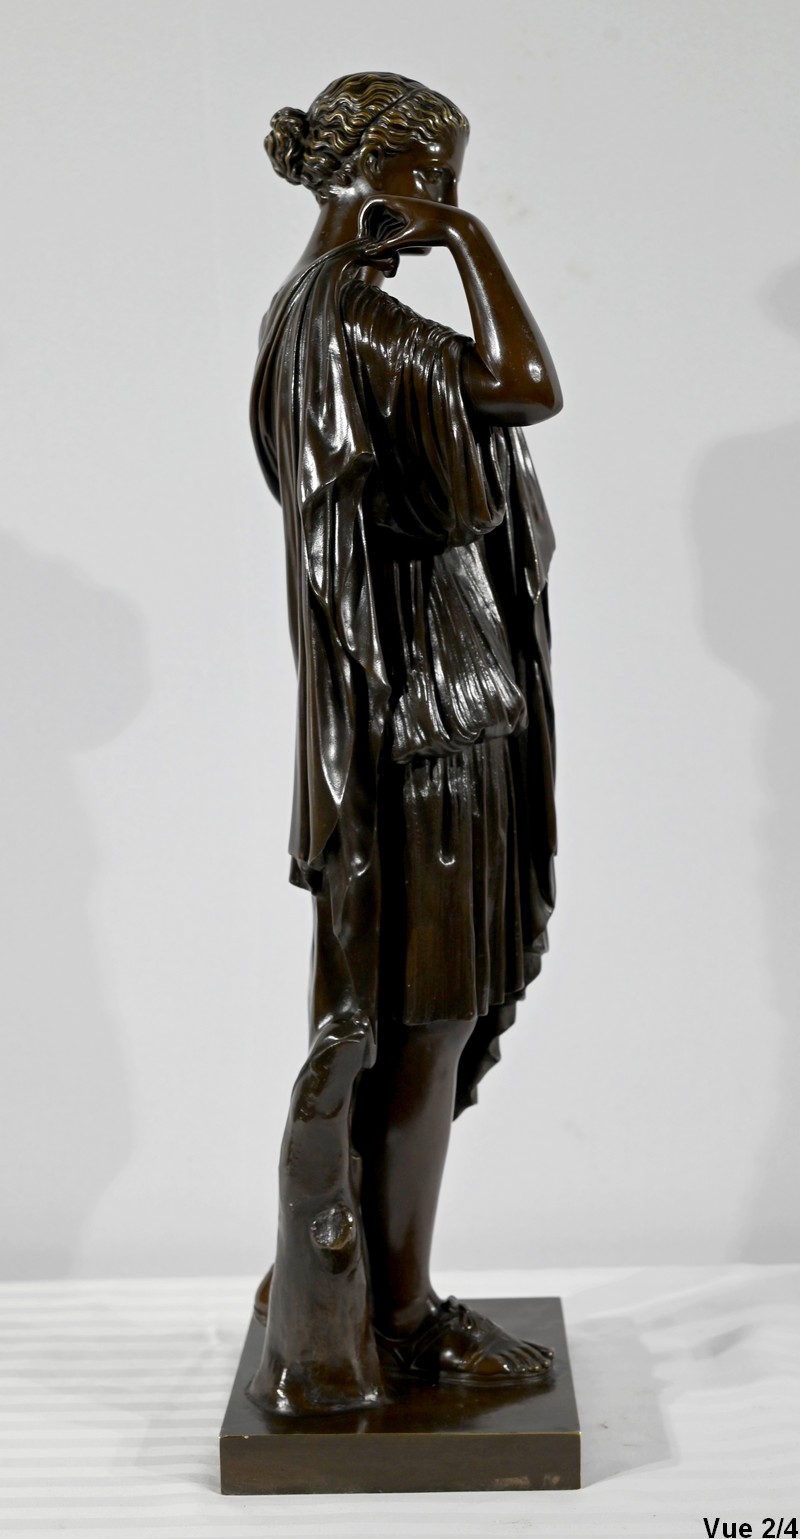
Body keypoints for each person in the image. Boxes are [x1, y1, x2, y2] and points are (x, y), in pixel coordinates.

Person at [250, 71, 563, 1407]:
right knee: (423, 1027)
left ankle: (378, 1297)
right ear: (391, 177)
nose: (448, 200)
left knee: (419, 1027)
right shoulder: (361, 329)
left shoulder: (314, 319)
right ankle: (402, 1315)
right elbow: (527, 388)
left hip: (423, 715)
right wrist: (476, 243)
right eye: (441, 176)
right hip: (429, 726)